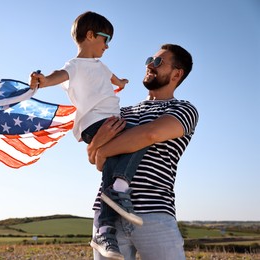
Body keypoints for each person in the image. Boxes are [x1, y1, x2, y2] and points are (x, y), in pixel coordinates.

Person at [29, 11, 146, 259]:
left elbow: (114, 79)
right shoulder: (75, 65)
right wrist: (42, 80)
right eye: (106, 39)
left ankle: (105, 228)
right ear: (91, 35)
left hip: (110, 120)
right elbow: (56, 77)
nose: (107, 46)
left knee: (120, 156)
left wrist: (122, 81)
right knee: (137, 140)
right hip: (97, 122)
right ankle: (119, 189)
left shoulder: (101, 66)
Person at [88, 43, 199, 260]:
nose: (150, 65)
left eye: (158, 62)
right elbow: (96, 160)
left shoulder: (183, 109)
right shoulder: (122, 112)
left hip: (154, 212)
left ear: (177, 73)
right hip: (107, 217)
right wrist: (96, 146)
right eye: (149, 60)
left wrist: (104, 150)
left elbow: (150, 134)